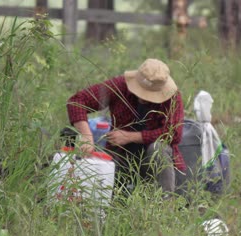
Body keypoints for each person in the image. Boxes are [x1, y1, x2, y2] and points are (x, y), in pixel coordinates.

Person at [66, 58, 185, 195]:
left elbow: (174, 133)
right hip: (121, 156)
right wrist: (86, 136)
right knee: (108, 195)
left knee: (157, 148)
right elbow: (77, 101)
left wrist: (131, 136)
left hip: (154, 164)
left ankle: (165, 203)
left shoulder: (172, 97)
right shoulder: (119, 86)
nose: (144, 98)